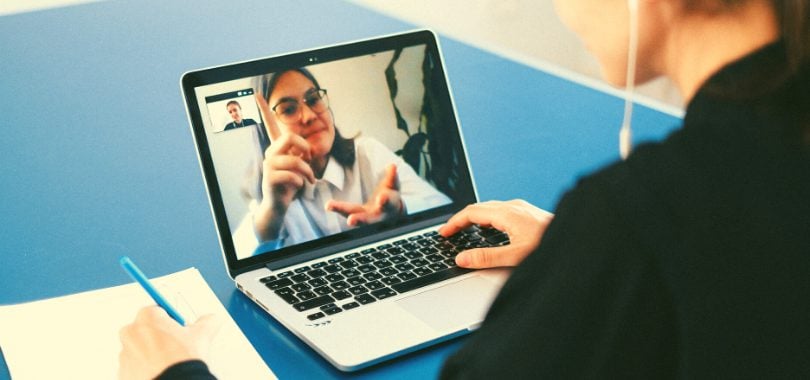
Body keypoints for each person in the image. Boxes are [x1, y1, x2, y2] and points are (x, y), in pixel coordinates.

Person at [119, 0, 810, 378]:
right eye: (287, 108)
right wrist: (577, 252)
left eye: (315, 99)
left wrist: (179, 379)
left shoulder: (632, 222)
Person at [232, 67, 451, 255]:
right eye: (288, 109)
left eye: (314, 99)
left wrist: (401, 209)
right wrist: (273, 209)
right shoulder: (270, 191)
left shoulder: (367, 152)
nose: (308, 115)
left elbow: (443, 207)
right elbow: (238, 262)